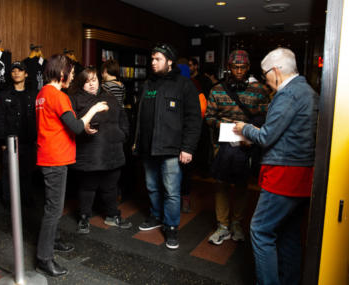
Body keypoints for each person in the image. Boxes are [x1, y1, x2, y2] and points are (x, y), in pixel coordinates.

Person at [234, 48, 318, 285]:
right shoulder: (309, 92)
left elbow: (266, 137)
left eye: (265, 74)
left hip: (285, 174)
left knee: (260, 231)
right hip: (304, 173)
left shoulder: (288, 94)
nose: (265, 80)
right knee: (289, 233)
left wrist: (245, 128)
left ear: (276, 71)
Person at [35, 54, 108, 277]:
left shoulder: (42, 94)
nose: (73, 76)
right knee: (53, 210)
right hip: (55, 158)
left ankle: (54, 241)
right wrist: (94, 110)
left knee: (52, 206)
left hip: (49, 156)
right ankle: (44, 258)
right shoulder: (58, 96)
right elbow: (75, 127)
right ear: (62, 72)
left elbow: (64, 125)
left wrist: (80, 125)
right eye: (72, 73)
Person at [133, 43, 202, 250]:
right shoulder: (148, 84)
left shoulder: (184, 85)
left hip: (172, 149)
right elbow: (139, 117)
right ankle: (155, 216)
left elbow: (193, 119)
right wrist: (137, 143)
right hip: (148, 148)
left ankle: (171, 227)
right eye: (152, 59)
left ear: (169, 61)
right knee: (152, 186)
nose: (153, 63)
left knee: (172, 191)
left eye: (158, 59)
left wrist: (188, 148)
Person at [205, 49, 270, 245]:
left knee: (242, 186)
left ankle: (236, 224)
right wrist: (224, 127)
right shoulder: (217, 90)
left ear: (248, 68)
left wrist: (250, 130)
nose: (239, 71)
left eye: (242, 67)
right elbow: (208, 117)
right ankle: (222, 225)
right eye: (235, 67)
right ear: (229, 68)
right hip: (223, 145)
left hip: (247, 145)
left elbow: (267, 117)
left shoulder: (260, 90)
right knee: (221, 185)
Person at [69, 67, 131, 234]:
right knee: (87, 187)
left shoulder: (109, 96)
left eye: (94, 80)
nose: (91, 84)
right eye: (87, 82)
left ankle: (112, 215)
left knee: (111, 186)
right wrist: (84, 128)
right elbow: (71, 125)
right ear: (81, 84)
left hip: (113, 151)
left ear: (99, 80)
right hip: (89, 153)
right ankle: (83, 217)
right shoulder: (75, 99)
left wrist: (122, 135)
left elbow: (123, 118)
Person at [0, 61, 36, 208]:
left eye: (20, 70)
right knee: (9, 174)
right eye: (13, 71)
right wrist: (2, 142)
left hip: (29, 142)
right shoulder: (4, 95)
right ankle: (8, 202)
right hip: (11, 142)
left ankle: (26, 201)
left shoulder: (33, 95)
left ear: (26, 74)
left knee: (27, 173)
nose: (16, 73)